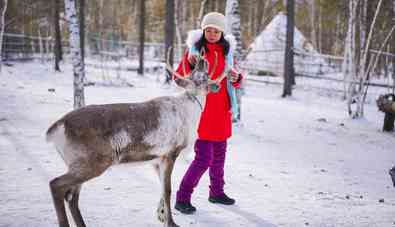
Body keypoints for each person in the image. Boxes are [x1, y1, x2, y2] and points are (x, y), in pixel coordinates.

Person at [173, 12, 243, 214]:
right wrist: (190, 63)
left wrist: (236, 77)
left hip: (222, 110)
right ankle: (182, 197)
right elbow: (178, 77)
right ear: (203, 31)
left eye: (216, 31)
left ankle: (216, 192)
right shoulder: (195, 51)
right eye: (209, 30)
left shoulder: (227, 53)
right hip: (201, 112)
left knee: (220, 155)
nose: (212, 34)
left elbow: (235, 80)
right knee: (203, 158)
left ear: (222, 32)